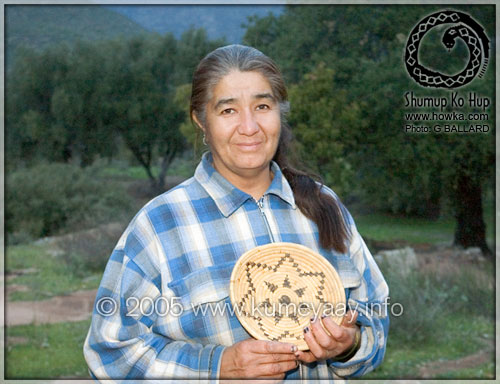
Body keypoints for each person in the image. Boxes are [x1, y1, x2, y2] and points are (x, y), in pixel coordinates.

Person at [84, 44, 389, 381]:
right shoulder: (160, 225)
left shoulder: (325, 206)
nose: (249, 127)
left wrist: (350, 343)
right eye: (228, 111)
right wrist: (215, 367)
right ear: (200, 120)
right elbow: (109, 353)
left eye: (262, 106)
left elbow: (375, 319)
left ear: (279, 112)